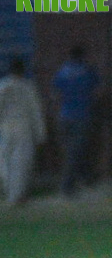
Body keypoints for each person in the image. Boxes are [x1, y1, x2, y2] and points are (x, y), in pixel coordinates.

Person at [52, 46, 99, 197]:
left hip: (64, 116)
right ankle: (67, 186)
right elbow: (96, 88)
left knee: (73, 151)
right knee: (76, 152)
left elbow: (55, 93)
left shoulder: (62, 72)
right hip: (82, 116)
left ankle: (85, 177)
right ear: (82, 56)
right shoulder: (88, 71)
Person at [0, 57, 46, 204]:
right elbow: (36, 111)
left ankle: (9, 190)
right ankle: (16, 195)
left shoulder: (3, 86)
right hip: (24, 129)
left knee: (5, 161)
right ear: (22, 71)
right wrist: (40, 133)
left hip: (6, 128)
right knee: (21, 163)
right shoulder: (28, 87)